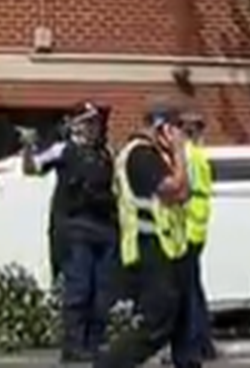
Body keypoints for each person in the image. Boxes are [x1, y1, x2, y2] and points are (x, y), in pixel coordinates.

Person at [94, 101, 195, 368]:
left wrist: (176, 159)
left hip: (170, 248)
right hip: (150, 248)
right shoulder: (141, 156)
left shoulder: (156, 156)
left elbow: (184, 193)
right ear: (162, 127)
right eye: (178, 128)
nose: (183, 136)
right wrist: (179, 153)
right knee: (156, 325)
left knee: (184, 323)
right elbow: (172, 188)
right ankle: (110, 364)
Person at [21, 101, 118, 363]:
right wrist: (29, 146)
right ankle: (74, 346)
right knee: (79, 289)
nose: (93, 127)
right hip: (76, 230)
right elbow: (31, 169)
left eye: (95, 122)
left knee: (104, 292)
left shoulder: (106, 152)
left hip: (105, 229)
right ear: (76, 125)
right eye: (88, 122)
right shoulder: (63, 150)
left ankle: (96, 343)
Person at [180, 111, 216, 363]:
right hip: (197, 227)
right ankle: (204, 343)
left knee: (187, 292)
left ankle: (192, 344)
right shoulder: (200, 155)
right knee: (194, 288)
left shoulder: (187, 156)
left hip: (186, 228)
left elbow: (180, 189)